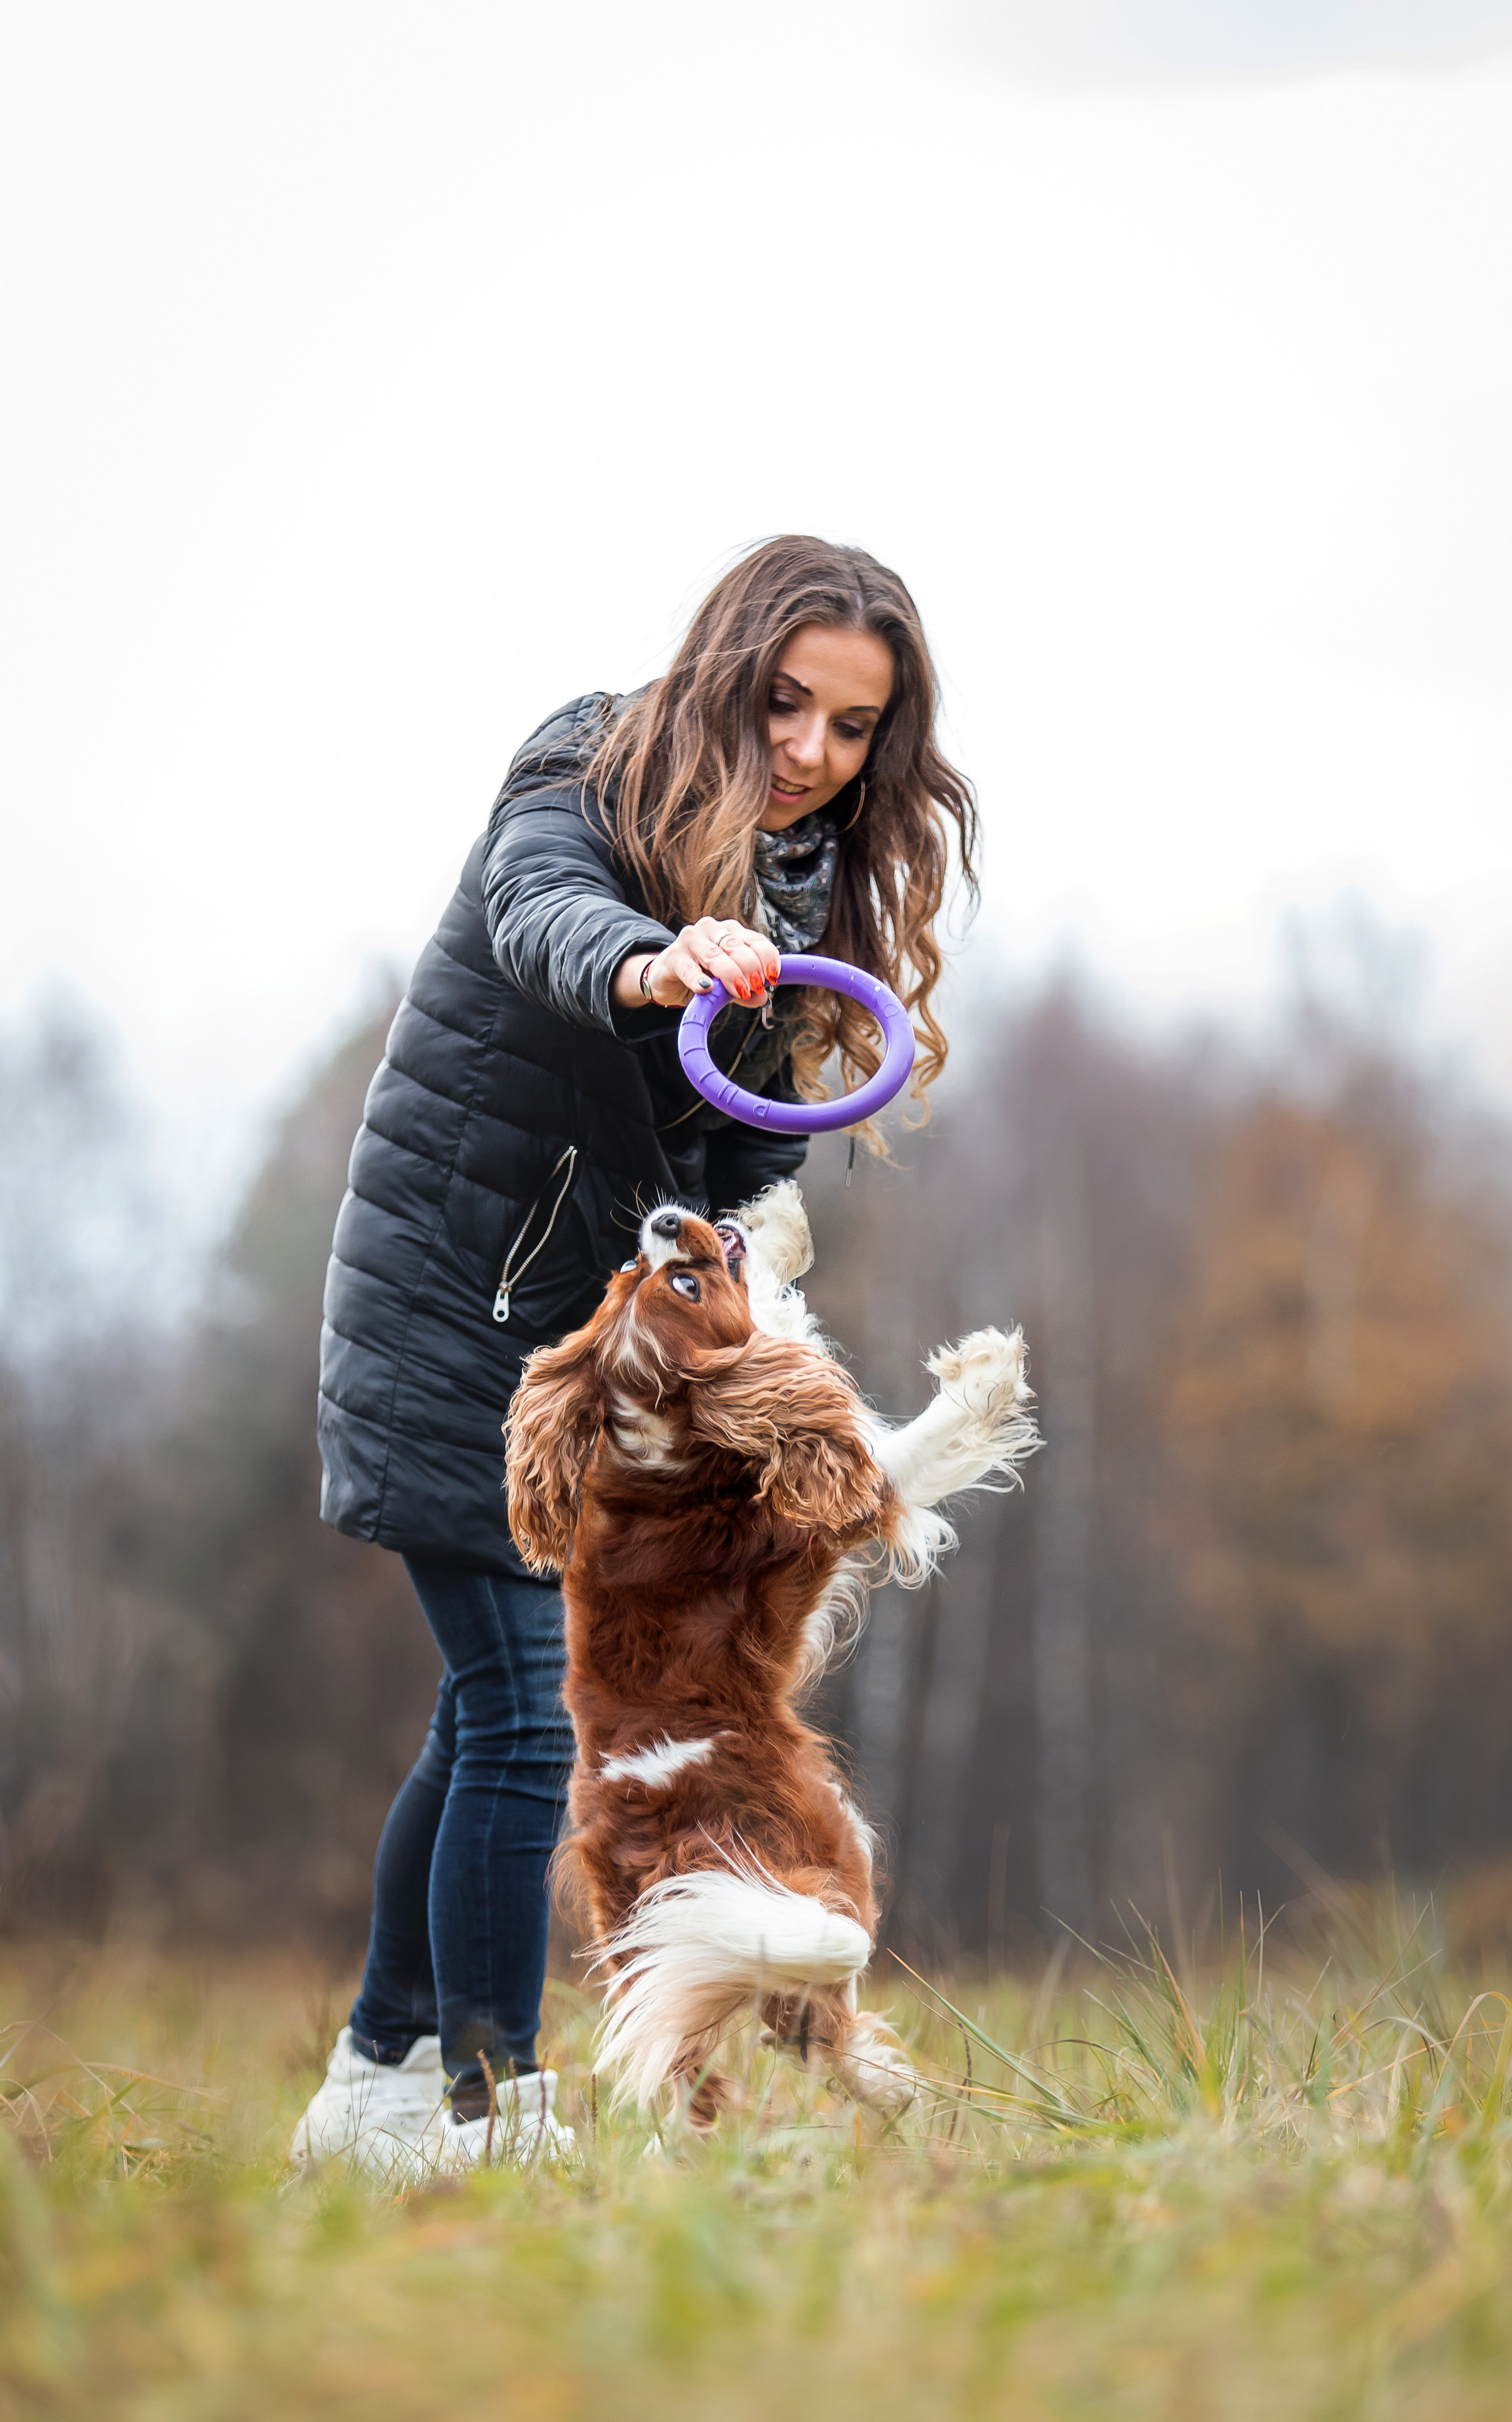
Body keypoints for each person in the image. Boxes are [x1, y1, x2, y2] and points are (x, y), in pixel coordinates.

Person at [290, 534, 977, 2172]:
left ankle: (377, 2084)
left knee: (484, 1717)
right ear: (728, 671)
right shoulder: (583, 772)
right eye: (785, 704)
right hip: (455, 1314)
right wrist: (648, 959)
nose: (810, 751)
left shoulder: (805, 887)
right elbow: (542, 915)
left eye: (852, 726)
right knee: (530, 1715)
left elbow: (734, 1147)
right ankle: (489, 2103)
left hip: (586, 1338)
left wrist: (748, 1207)